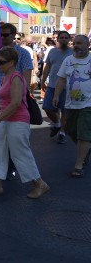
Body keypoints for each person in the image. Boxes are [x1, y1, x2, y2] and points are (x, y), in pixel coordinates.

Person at [0, 48, 50, 198]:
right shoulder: (4, 77)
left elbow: (16, 103)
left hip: (18, 120)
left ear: (12, 62)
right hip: (5, 119)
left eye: (1, 62)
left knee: (20, 153)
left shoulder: (16, 78)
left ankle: (40, 184)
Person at [0, 23, 33, 179]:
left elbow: (26, 77)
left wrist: (21, 97)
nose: (2, 38)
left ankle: (9, 167)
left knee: (15, 141)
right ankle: (1, 166)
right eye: (0, 35)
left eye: (5, 35)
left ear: (13, 35)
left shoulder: (23, 54)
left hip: (13, 102)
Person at [53, 34, 91, 178]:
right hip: (71, 104)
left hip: (88, 104)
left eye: (80, 43)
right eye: (74, 43)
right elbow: (62, 79)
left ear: (88, 45)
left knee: (84, 133)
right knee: (70, 130)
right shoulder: (68, 60)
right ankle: (86, 149)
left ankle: (79, 165)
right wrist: (56, 95)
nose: (76, 45)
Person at [41, 30, 72, 144]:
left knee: (64, 111)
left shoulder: (73, 52)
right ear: (57, 39)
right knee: (47, 107)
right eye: (62, 37)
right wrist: (43, 80)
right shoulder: (52, 51)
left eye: (66, 38)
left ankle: (63, 133)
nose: (64, 39)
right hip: (52, 85)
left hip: (67, 87)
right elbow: (47, 67)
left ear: (69, 40)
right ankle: (57, 123)